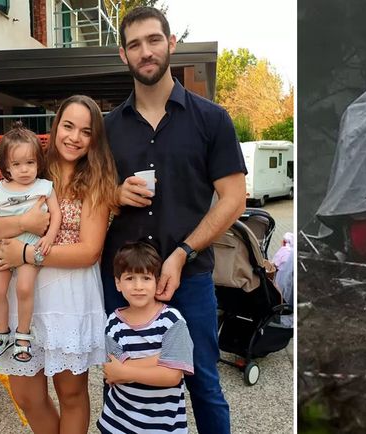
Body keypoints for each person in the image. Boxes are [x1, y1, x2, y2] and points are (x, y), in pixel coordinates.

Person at [100, 7, 246, 433]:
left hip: (191, 276)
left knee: (202, 383)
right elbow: (84, 194)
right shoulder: (108, 128)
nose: (145, 51)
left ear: (171, 44)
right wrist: (113, 193)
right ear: (122, 55)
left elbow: (233, 199)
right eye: (134, 45)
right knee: (121, 380)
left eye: (153, 40)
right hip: (122, 279)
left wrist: (182, 253)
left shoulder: (211, 119)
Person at [0, 94, 119, 433]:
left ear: (94, 138)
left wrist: (27, 254)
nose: (74, 137)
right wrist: (24, 226)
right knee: (25, 393)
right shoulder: (31, 167)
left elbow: (89, 251)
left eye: (85, 131)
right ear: (55, 127)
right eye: (68, 126)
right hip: (22, 290)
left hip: (69, 292)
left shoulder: (97, 180)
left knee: (70, 393)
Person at [0, 122, 61, 363]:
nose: (24, 170)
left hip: (30, 247)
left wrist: (49, 237)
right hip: (6, 247)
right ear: (6, 167)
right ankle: (1, 334)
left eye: (30, 163)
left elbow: (56, 214)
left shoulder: (44, 187)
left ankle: (23, 336)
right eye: (17, 164)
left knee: (24, 288)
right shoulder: (1, 190)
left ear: (38, 163)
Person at [98, 241, 194, 433]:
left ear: (157, 281)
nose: (138, 286)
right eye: (130, 278)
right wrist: (163, 360)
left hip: (161, 426)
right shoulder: (113, 322)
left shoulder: (172, 321)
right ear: (118, 283)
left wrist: (126, 372)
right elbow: (112, 371)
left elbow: (172, 376)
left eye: (146, 278)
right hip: (118, 423)